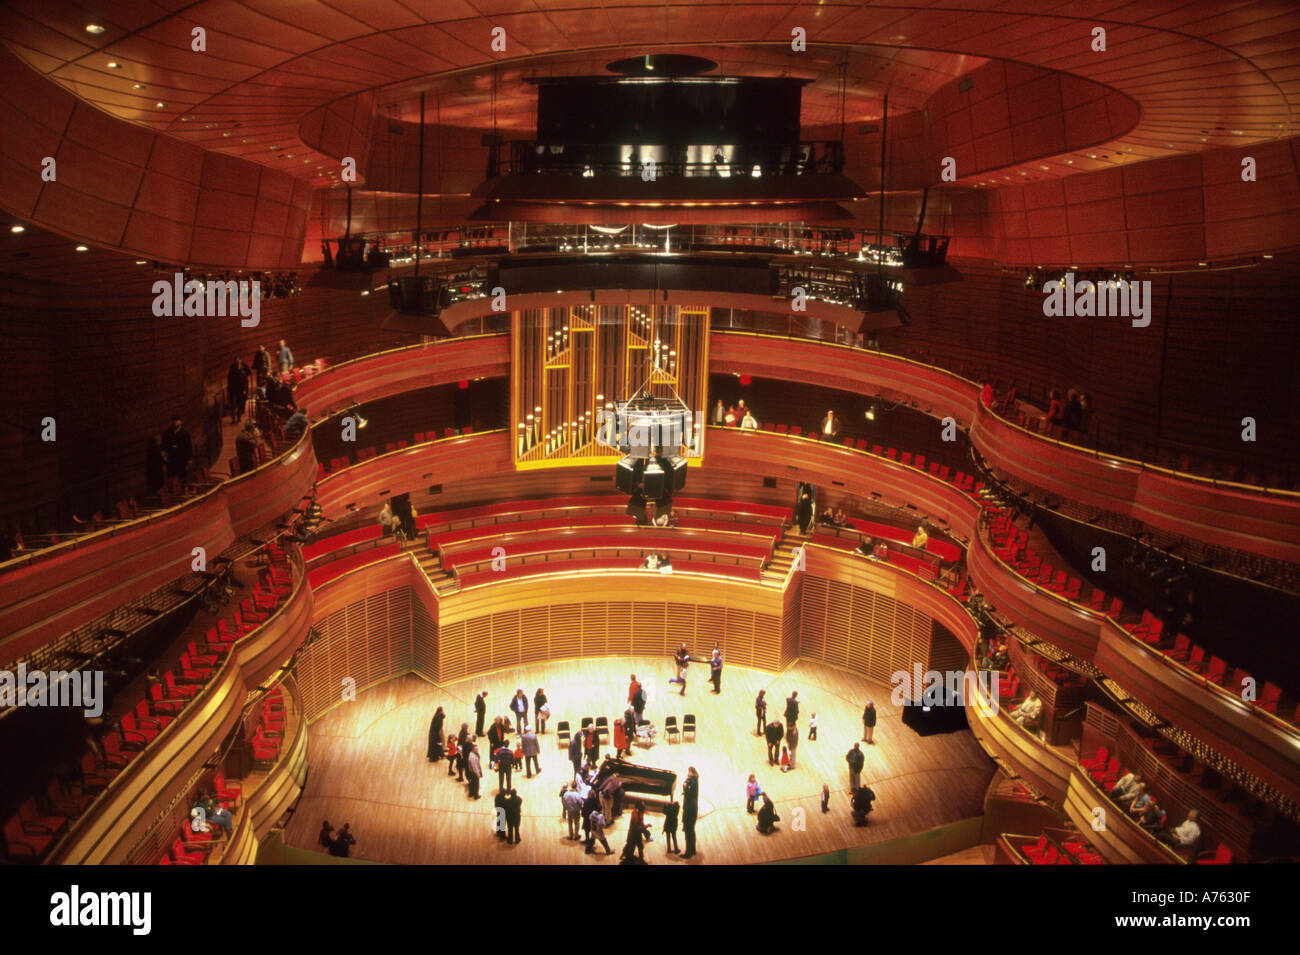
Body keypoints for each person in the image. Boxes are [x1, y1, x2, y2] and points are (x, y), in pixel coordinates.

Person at [160, 417, 193, 483]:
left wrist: (189, 459)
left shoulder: (185, 434)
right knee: (171, 476)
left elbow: (189, 446)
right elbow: (163, 446)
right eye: (174, 421)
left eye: (177, 421)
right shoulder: (167, 433)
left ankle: (183, 490)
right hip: (171, 459)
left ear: (180, 422)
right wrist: (164, 457)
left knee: (182, 476)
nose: (175, 423)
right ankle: (174, 490)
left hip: (182, 459)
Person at [682, 767, 699, 858]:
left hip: (689, 810)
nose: (688, 774)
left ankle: (688, 853)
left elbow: (687, 789)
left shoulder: (692, 782)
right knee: (691, 831)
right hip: (693, 809)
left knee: (688, 832)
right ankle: (692, 850)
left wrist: (685, 786)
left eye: (689, 772)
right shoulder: (695, 780)